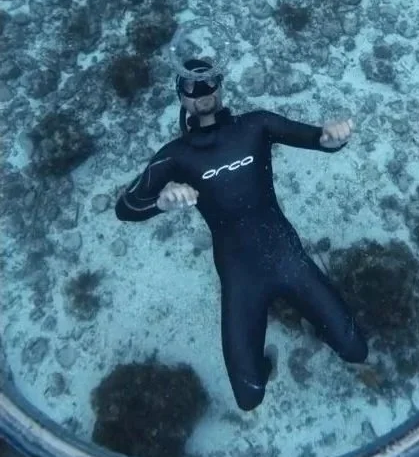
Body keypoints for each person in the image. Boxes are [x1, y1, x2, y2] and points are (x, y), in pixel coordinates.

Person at [115, 55, 368, 410]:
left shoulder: (256, 125)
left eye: (210, 82)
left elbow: (318, 139)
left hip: (288, 258)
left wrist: (334, 137)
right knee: (249, 397)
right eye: (191, 85)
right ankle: (271, 357)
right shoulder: (173, 158)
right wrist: (161, 203)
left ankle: (315, 324)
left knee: (357, 350)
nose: (202, 92)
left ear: (221, 85)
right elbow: (125, 209)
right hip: (241, 278)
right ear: (180, 94)